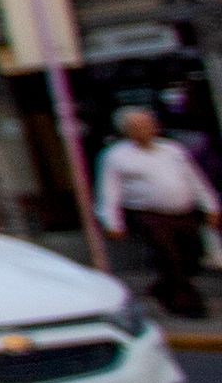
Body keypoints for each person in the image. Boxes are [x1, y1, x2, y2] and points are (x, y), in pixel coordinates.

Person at [93, 103, 218, 318]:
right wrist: (112, 223)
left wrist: (210, 205)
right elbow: (109, 191)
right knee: (170, 258)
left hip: (184, 212)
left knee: (192, 256)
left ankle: (163, 287)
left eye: (148, 124)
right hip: (150, 215)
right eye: (138, 126)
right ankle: (186, 303)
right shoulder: (116, 156)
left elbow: (194, 178)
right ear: (127, 131)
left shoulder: (172, 150)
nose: (146, 129)